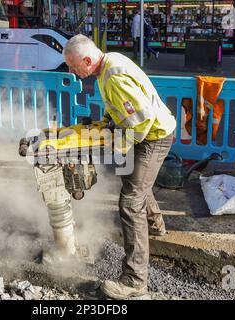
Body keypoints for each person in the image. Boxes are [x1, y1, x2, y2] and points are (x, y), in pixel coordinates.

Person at [63, 34, 176, 299]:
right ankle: (156, 225)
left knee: (130, 201)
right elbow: (120, 106)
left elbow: (142, 120)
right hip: (152, 131)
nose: (71, 71)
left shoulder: (112, 75)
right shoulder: (109, 63)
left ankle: (135, 281)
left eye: (72, 66)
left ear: (88, 61)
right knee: (135, 181)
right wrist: (106, 123)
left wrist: (120, 147)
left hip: (153, 136)